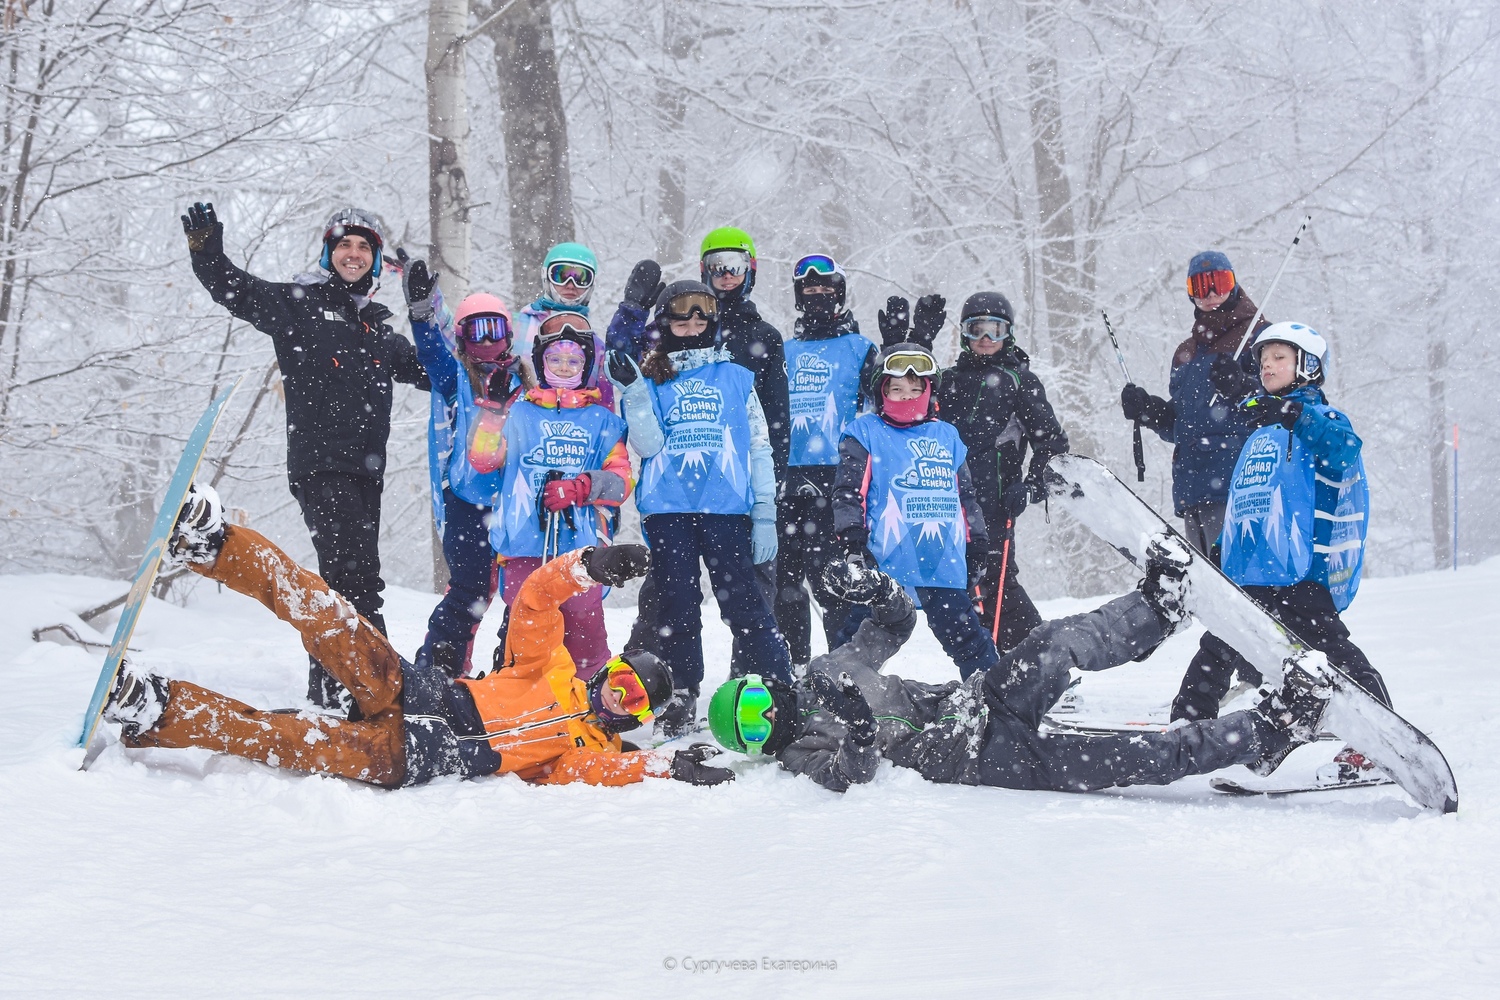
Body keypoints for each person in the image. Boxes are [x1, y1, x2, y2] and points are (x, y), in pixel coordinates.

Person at [104, 483, 736, 788]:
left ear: (638, 718)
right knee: (329, 615)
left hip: (423, 756)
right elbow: (537, 600)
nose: (622, 698)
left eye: (636, 702)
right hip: (433, 695)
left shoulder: (581, 752)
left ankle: (155, 708)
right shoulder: (552, 670)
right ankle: (215, 544)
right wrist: (587, 566)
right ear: (610, 672)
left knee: (291, 739)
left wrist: (668, 765)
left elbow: (598, 773)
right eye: (625, 681)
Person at [705, 546, 1329, 795]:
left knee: (1049, 644)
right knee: (1140, 758)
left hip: (974, 703)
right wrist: (862, 732)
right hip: (971, 758)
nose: (767, 720)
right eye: (754, 730)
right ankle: (1267, 731)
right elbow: (850, 774)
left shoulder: (827, 670)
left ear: (763, 685)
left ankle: (1156, 608)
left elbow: (895, 626)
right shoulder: (800, 753)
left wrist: (876, 589)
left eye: (756, 704)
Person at [182, 202, 429, 712]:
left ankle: (344, 688)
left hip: (367, 470)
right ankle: (363, 691)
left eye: (364, 246)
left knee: (358, 581)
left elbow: (437, 373)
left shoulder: (378, 330)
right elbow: (235, 289)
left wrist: (441, 321)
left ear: (377, 259)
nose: (353, 253)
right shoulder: (299, 303)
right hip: (321, 465)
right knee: (351, 575)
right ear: (328, 252)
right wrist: (207, 252)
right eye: (344, 244)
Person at [1173, 322, 1384, 784]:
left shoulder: (1319, 420)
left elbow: (1344, 451)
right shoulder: (1261, 431)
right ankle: (1187, 723)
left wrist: (1295, 414)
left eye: (1280, 358)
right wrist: (1222, 554)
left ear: (1307, 367)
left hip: (1303, 570)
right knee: (1223, 639)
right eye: (1264, 359)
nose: (1267, 365)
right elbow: (1252, 500)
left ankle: (1380, 736)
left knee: (1326, 653)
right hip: (1254, 570)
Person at [605, 280, 794, 737]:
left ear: (713, 323)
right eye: (680, 319)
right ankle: (682, 691)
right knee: (678, 606)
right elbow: (647, 444)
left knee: (744, 603)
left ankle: (776, 689)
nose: (690, 327)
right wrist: (633, 394)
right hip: (668, 509)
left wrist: (765, 511)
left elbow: (758, 446)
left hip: (725, 507)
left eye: (700, 318)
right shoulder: (651, 378)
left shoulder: (735, 376)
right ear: (665, 324)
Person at [831, 343, 1000, 679]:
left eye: (914, 389)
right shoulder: (865, 433)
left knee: (969, 641)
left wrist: (978, 544)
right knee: (856, 645)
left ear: (929, 391)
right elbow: (850, 493)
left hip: (942, 562)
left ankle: (997, 702)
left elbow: (965, 498)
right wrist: (853, 544)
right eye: (896, 389)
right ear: (881, 392)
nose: (906, 397)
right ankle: (834, 705)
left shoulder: (947, 436)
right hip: (885, 563)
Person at [486, 312, 633, 680]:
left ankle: (591, 702)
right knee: (527, 626)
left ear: (586, 367)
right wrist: (491, 411)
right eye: (555, 358)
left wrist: (582, 487)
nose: (564, 367)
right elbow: (483, 459)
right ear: (540, 361)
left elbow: (621, 480)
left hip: (581, 547)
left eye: (574, 360)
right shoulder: (517, 414)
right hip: (523, 543)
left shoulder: (603, 422)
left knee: (584, 625)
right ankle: (519, 702)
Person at [937, 291, 1069, 651]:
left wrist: (1030, 488)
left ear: (1008, 334)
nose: (985, 339)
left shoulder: (1018, 380)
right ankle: (991, 665)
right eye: (976, 329)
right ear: (964, 333)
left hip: (995, 501)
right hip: (947, 501)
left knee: (996, 581)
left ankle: (1044, 664)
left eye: (995, 330)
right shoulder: (947, 380)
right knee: (961, 585)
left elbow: (1053, 443)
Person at [403, 259, 515, 679]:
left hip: (516, 502)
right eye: (475, 331)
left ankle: (513, 671)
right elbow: (432, 352)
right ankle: (440, 670)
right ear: (463, 338)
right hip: (468, 502)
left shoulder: (524, 378)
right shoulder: (457, 377)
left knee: (522, 593)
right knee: (469, 588)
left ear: (507, 334)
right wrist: (421, 313)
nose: (486, 342)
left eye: (494, 330)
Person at [1118, 250, 1267, 558]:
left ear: (1234, 284)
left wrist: (1243, 387)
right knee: (1204, 589)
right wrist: (1151, 411)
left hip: (1240, 487)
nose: (1211, 294)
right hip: (1193, 489)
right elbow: (1185, 424)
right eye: (1200, 287)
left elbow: (1279, 408)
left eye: (1219, 283)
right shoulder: (1188, 352)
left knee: (1237, 584)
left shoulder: (1260, 338)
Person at [774, 253, 878, 666]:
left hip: (837, 477)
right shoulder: (784, 349)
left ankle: (846, 670)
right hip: (787, 475)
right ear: (799, 297)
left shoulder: (859, 348)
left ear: (840, 295)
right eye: (809, 290)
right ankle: (794, 669)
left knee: (832, 581)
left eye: (826, 289)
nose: (818, 296)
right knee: (784, 583)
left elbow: (892, 401)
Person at [513, 242, 613, 409]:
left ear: (591, 284)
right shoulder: (515, 326)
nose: (571, 284)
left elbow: (603, 406)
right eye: (560, 275)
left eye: (581, 278)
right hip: (519, 427)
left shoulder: (596, 346)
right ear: (546, 276)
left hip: (570, 432)